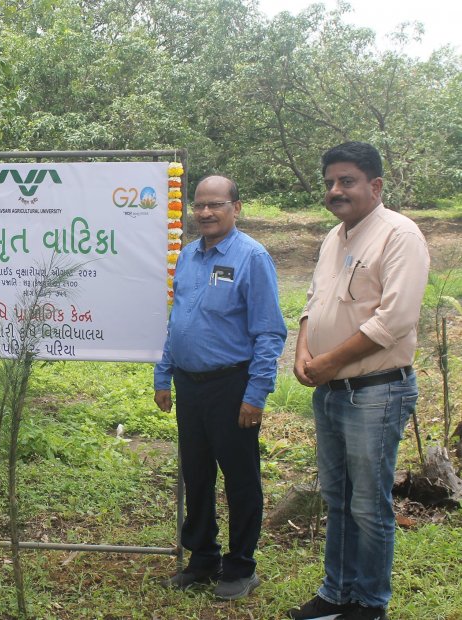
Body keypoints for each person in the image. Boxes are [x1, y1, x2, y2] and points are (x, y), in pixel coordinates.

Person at [287, 142, 429, 620]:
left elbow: (395, 321)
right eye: (329, 182)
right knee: (338, 500)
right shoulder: (335, 237)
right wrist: (305, 352)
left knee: (369, 506)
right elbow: (313, 301)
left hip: (376, 392)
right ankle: (335, 594)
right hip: (330, 394)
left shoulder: (399, 236)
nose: (335, 190)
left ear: (375, 185)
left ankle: (369, 604)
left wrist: (328, 363)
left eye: (346, 181)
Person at [154, 175, 286, 600]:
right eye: (200, 206)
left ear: (236, 207)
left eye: (216, 205)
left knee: (240, 478)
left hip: (233, 385)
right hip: (189, 387)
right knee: (196, 474)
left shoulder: (252, 257)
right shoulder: (189, 256)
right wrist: (164, 375)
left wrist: (256, 393)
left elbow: (269, 332)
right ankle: (204, 558)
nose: (206, 213)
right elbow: (176, 322)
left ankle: (242, 565)